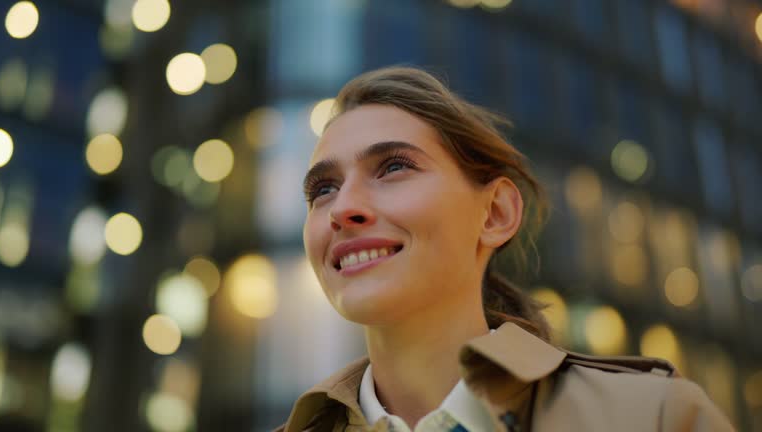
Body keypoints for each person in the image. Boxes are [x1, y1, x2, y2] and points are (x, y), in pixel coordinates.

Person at [274, 67, 734, 432]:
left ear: (495, 213)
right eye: (323, 190)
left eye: (393, 167)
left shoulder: (655, 418)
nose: (343, 208)